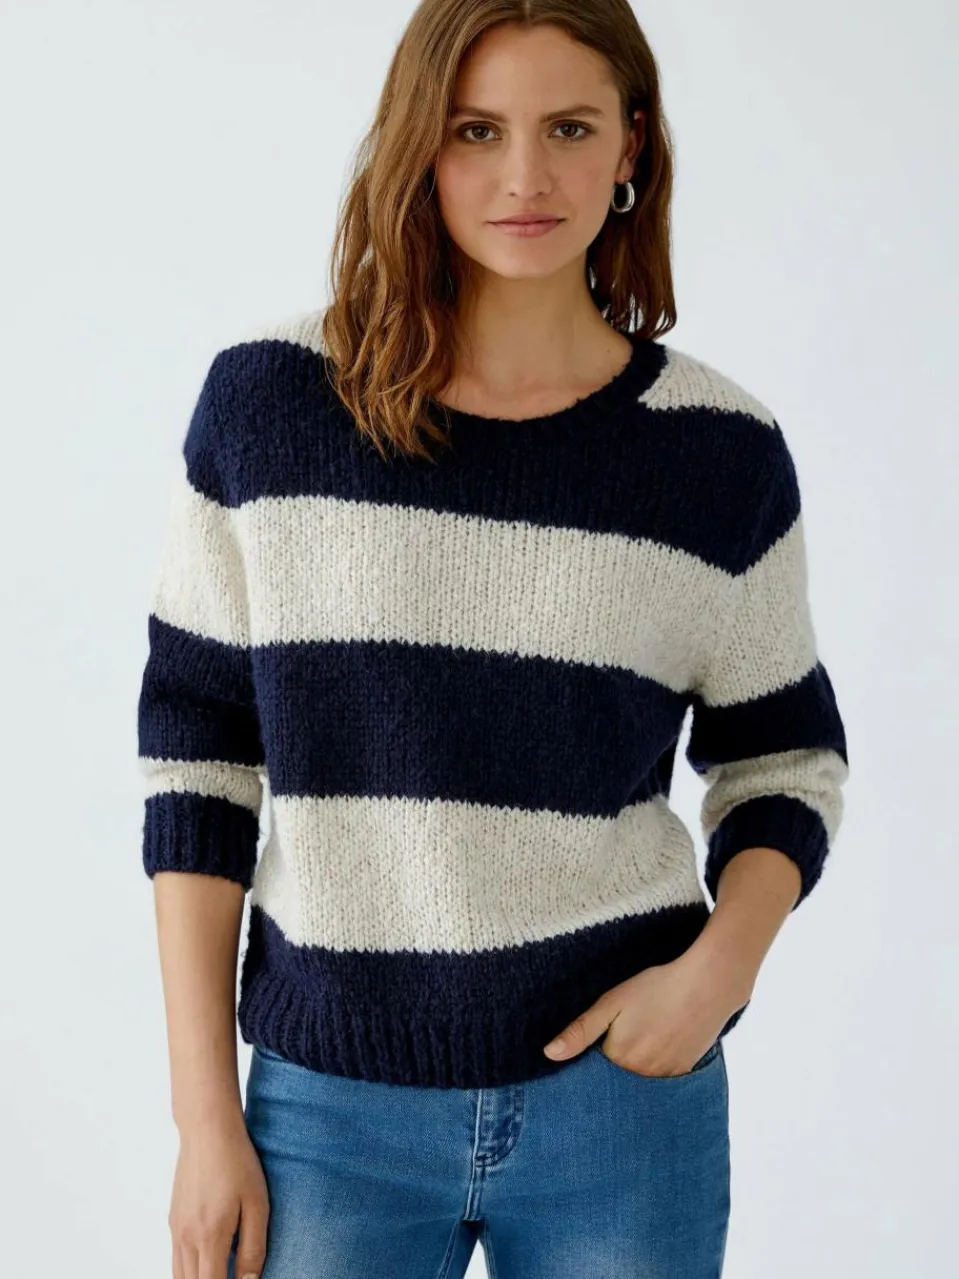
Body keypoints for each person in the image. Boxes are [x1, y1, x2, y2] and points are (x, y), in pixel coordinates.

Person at [136, 3, 849, 1277]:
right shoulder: (269, 407)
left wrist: (715, 974)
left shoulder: (717, 455)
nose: (524, 177)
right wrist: (203, 1118)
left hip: (621, 1108)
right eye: (476, 131)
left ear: (630, 146)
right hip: (327, 1112)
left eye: (567, 129)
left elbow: (783, 761)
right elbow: (199, 764)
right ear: (418, 145)